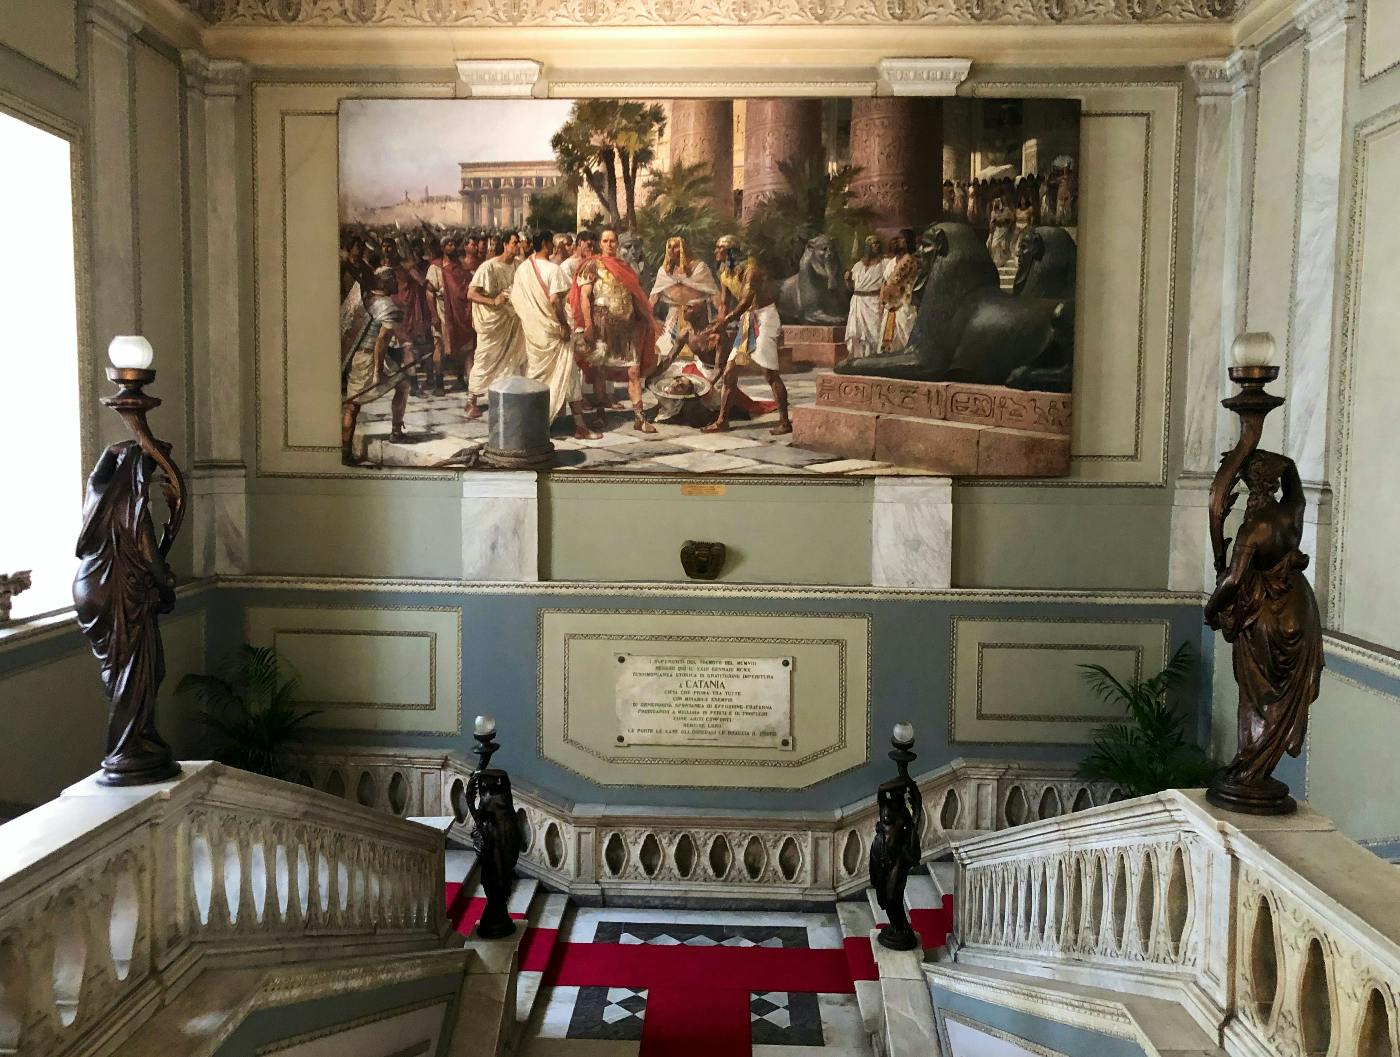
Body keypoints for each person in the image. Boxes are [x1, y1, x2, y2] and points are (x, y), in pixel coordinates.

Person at [509, 231, 603, 440]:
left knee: (539, 376)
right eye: (550, 243)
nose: (553, 247)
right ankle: (579, 427)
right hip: (554, 333)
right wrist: (562, 324)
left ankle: (534, 419)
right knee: (568, 374)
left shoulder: (523, 268)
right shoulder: (552, 269)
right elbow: (554, 301)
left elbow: (516, 298)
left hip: (535, 332)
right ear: (543, 243)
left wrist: (532, 318)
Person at [570, 228, 661, 433]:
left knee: (634, 371)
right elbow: (584, 297)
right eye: (605, 241)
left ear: (616, 243)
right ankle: (601, 415)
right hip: (602, 324)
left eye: (613, 241)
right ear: (600, 244)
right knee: (600, 371)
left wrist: (649, 320)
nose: (609, 244)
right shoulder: (592, 265)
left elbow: (636, 298)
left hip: (626, 327)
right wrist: (588, 325)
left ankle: (640, 418)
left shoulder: (625, 268)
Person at [701, 240, 790, 435]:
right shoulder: (724, 271)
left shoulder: (751, 269)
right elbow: (724, 303)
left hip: (765, 317)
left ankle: (785, 422)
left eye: (720, 248)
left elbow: (746, 300)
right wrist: (719, 322)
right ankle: (722, 421)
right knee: (730, 373)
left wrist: (726, 321)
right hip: (748, 320)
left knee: (770, 373)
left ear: (731, 251)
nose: (716, 251)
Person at [341, 266, 415, 463]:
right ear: (386, 281)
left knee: (402, 384)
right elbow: (381, 343)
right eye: (393, 280)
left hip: (357, 355)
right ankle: (346, 453)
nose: (396, 284)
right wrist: (377, 372)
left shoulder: (364, 297)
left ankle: (395, 432)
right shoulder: (387, 307)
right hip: (369, 359)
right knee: (353, 405)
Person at [464, 231, 525, 419]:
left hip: (512, 320)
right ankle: (471, 400)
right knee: (484, 358)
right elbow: (471, 294)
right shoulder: (488, 267)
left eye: (519, 243)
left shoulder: (519, 266)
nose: (518, 246)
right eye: (514, 243)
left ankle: (505, 398)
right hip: (492, 323)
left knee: (511, 359)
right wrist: (493, 302)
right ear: (505, 245)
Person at [650, 235, 718, 363]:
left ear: (683, 248)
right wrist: (652, 321)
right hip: (673, 318)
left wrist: (720, 317)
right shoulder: (664, 272)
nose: (671, 250)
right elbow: (652, 299)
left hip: (697, 317)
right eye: (669, 247)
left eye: (676, 247)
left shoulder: (699, 268)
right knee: (668, 354)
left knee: (701, 355)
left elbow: (714, 294)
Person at [844, 235, 884, 360]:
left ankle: (873, 358)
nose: (876, 246)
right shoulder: (857, 266)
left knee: (874, 331)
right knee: (857, 332)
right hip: (858, 301)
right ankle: (857, 357)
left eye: (878, 243)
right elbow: (851, 288)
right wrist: (848, 280)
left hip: (873, 301)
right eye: (873, 244)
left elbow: (885, 284)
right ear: (868, 247)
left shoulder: (883, 264)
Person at [879, 229, 919, 354]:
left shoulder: (909, 260)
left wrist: (886, 295)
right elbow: (885, 283)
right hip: (890, 307)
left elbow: (894, 282)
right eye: (897, 238)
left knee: (905, 336)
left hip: (903, 305)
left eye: (901, 238)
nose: (897, 241)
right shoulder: (891, 262)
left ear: (908, 241)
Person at [987, 197, 1016, 267]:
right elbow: (992, 223)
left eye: (998, 202)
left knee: (999, 244)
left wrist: (1007, 223)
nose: (996, 204)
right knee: (994, 244)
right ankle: (999, 260)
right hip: (997, 229)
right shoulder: (993, 212)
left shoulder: (1006, 210)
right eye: (995, 202)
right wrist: (991, 232)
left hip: (1005, 228)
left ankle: (1002, 260)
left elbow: (1012, 219)